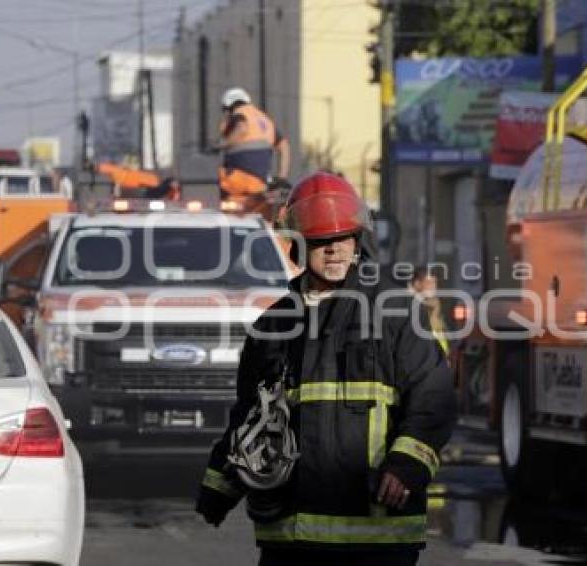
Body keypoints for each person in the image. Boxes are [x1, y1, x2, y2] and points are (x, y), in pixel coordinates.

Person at [196, 172, 457, 566]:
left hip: (377, 536)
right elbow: (251, 417)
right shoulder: (273, 326)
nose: (334, 251)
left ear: (358, 241)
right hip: (291, 537)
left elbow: (433, 399)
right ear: (299, 246)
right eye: (320, 242)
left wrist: (406, 466)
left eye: (342, 238)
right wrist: (220, 485)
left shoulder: (396, 313)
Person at [216, 87, 291, 198]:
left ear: (229, 106)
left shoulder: (239, 114)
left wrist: (222, 145)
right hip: (260, 183)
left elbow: (242, 128)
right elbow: (284, 146)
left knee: (207, 175)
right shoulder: (265, 120)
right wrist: (281, 178)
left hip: (237, 180)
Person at [409, 267, 450, 358]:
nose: (433, 286)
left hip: (436, 354)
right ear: (417, 284)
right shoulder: (409, 304)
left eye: (434, 282)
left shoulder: (433, 302)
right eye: (429, 283)